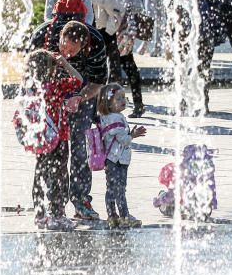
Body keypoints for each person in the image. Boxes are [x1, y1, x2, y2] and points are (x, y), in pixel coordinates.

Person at [29, 15, 108, 222]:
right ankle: (54, 206)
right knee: (49, 160)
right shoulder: (43, 35)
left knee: (80, 149)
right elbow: (27, 73)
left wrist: (80, 98)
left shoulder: (96, 42)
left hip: (80, 96)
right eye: (64, 48)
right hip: (50, 103)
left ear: (84, 45)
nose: (67, 53)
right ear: (60, 36)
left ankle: (81, 200)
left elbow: (97, 82)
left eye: (73, 52)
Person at [24, 49, 82, 231]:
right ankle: (57, 215)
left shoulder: (31, 88)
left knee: (40, 173)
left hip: (41, 139)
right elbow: (79, 80)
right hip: (59, 137)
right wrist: (64, 63)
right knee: (59, 176)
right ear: (51, 69)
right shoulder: (57, 86)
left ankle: (40, 215)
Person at [97, 82, 147, 229]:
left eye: (124, 97)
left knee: (111, 188)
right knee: (120, 188)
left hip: (110, 159)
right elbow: (123, 139)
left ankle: (112, 216)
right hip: (117, 160)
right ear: (109, 103)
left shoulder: (105, 117)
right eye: (118, 99)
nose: (123, 101)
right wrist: (133, 135)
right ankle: (125, 217)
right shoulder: (116, 118)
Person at [190, 0, 225, 113]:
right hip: (186, 23)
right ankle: (187, 98)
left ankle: (203, 98)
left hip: (205, 22)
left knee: (204, 63)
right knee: (187, 61)